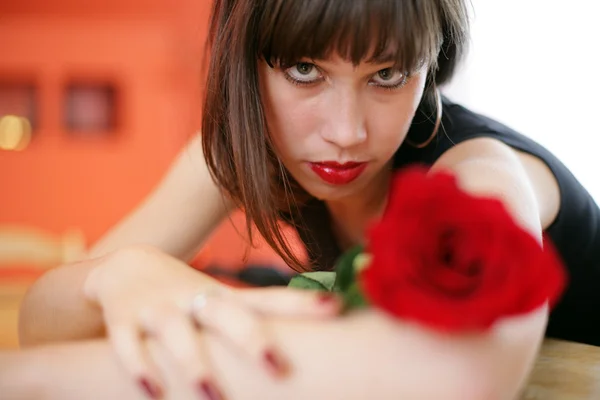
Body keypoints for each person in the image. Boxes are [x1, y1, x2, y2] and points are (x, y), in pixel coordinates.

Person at [6, 0, 600, 399]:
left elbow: (449, 378)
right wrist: (118, 275)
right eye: (304, 69)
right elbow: (43, 321)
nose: (346, 132)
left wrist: (24, 383)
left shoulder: (482, 174)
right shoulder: (249, 142)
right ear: (248, 67)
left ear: (431, 65)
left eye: (388, 75)